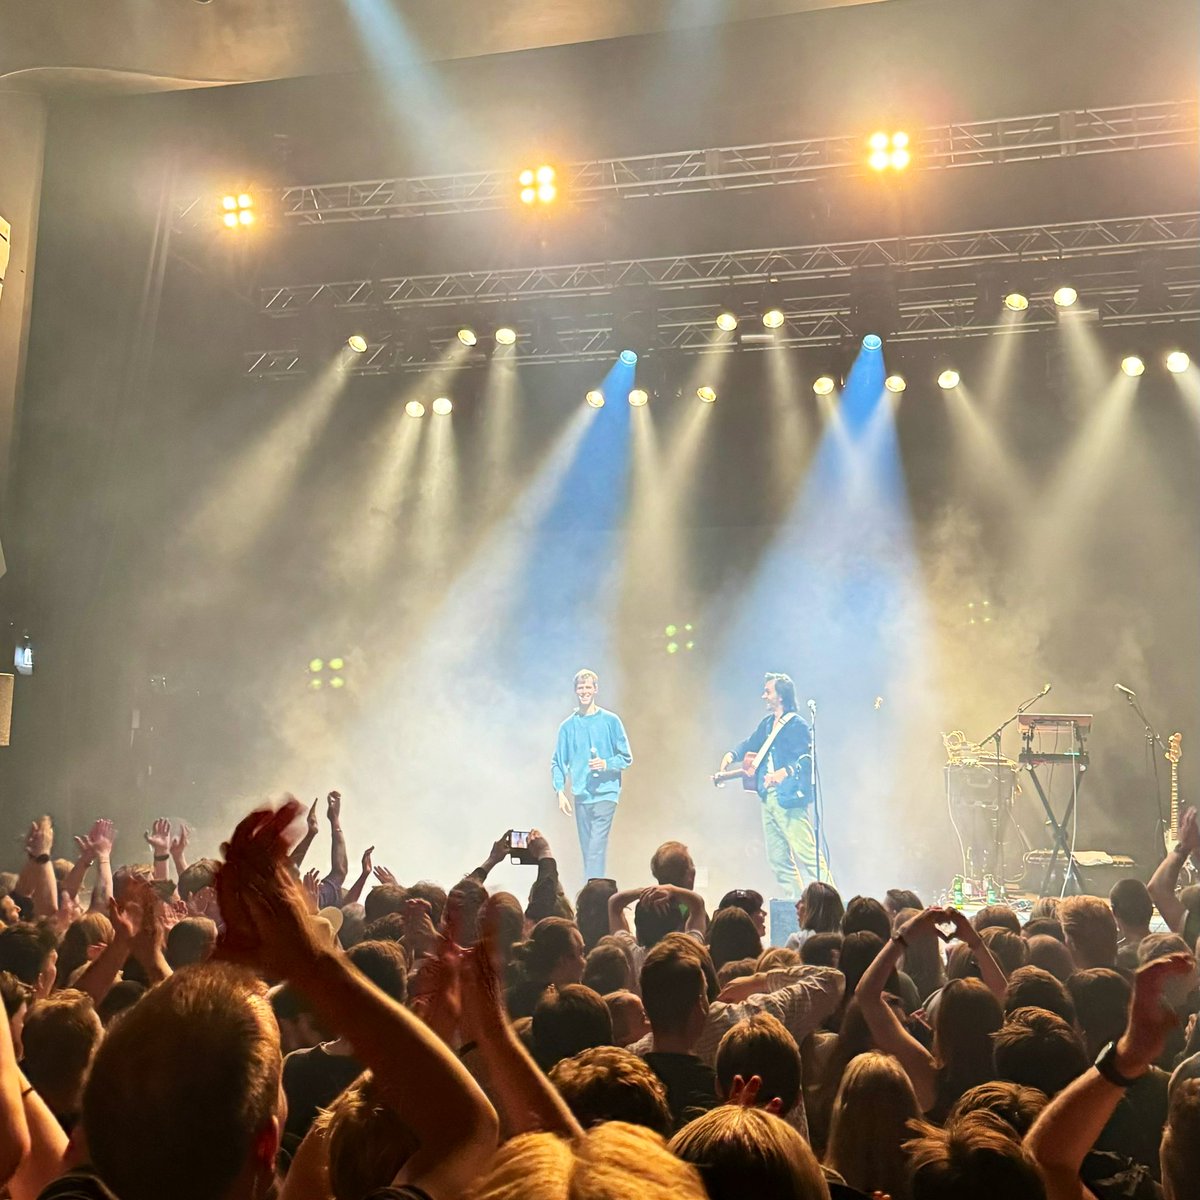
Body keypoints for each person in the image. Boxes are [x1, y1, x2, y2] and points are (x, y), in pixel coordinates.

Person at [717, 672, 831, 898]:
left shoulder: (796, 725)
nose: (764, 696)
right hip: (767, 798)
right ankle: (796, 905)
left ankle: (833, 903)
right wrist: (731, 755)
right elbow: (750, 743)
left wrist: (785, 771)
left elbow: (806, 758)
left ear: (781, 696)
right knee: (778, 860)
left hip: (788, 798)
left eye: (768, 691)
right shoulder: (768, 725)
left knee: (807, 853)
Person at [551, 669, 633, 882]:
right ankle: (595, 894)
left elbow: (626, 757)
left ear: (595, 690)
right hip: (582, 796)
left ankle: (591, 897)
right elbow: (558, 762)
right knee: (588, 850)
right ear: (575, 691)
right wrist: (560, 791)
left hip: (606, 795)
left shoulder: (610, 721)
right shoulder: (568, 727)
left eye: (588, 687)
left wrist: (605, 764)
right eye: (581, 687)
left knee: (596, 847)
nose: (584, 691)